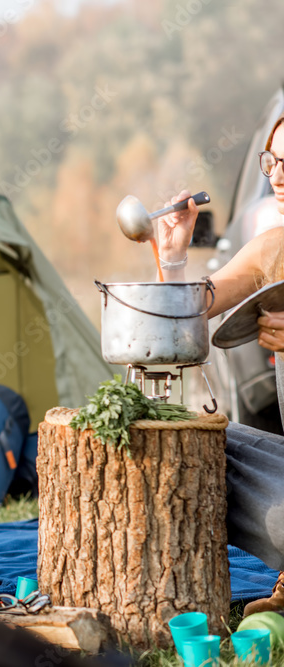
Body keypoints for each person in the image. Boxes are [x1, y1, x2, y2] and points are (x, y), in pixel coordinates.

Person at [157, 112, 284, 616]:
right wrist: (173, 255)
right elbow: (187, 309)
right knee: (198, 446)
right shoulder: (274, 248)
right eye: (272, 160)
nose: (276, 174)